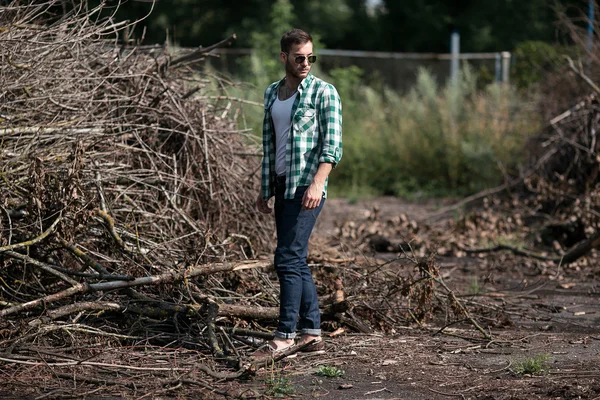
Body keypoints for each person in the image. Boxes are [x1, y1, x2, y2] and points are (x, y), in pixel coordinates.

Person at [253, 28, 342, 361]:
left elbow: (332, 146)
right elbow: (269, 145)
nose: (306, 63)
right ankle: (312, 333)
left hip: (307, 187)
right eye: (299, 57)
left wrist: (319, 182)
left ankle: (285, 335)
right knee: (296, 258)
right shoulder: (272, 94)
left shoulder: (324, 93)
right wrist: (265, 189)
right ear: (284, 58)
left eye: (310, 57)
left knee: (287, 258)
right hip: (281, 185)